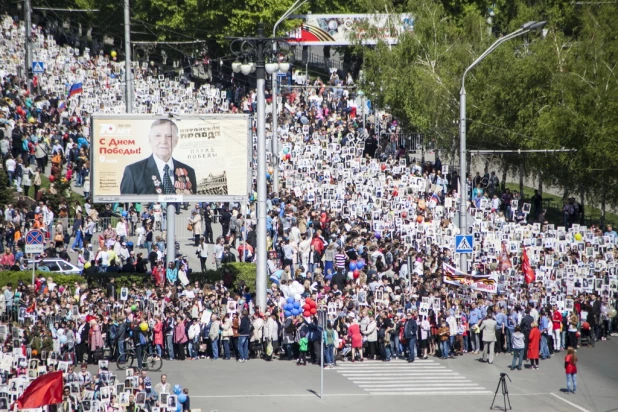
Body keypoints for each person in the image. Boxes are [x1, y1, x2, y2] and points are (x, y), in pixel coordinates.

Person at [120, 119, 197, 194]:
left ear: (176, 141)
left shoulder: (189, 172)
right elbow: (126, 205)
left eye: (169, 136)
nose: (163, 141)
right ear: (150, 140)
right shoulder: (133, 172)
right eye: (158, 135)